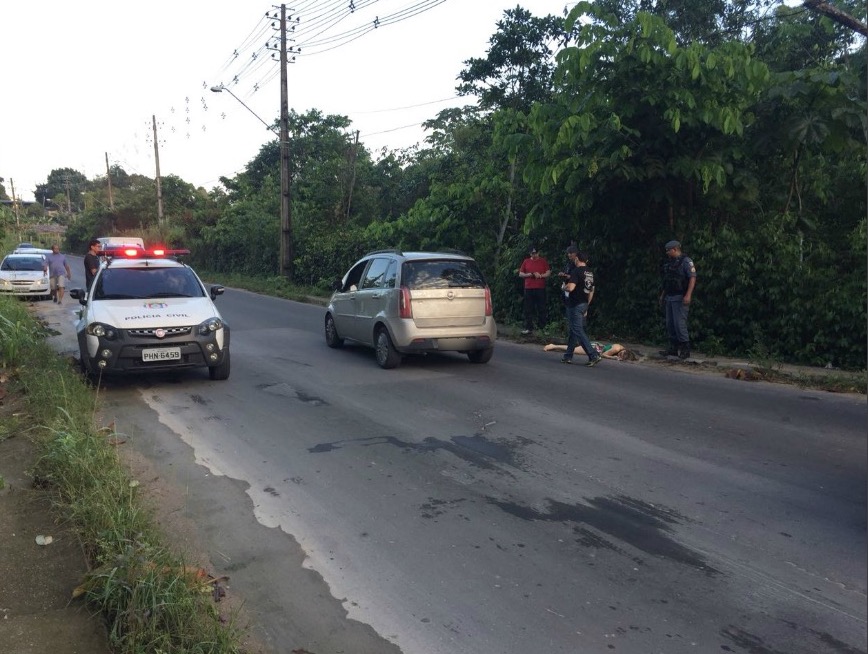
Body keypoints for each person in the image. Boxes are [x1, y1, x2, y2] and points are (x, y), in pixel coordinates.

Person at [561, 246, 601, 367]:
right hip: (584, 303)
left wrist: (564, 287)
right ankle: (568, 355)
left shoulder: (576, 271)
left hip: (575, 304)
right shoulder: (589, 272)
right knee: (574, 330)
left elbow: (571, 287)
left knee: (577, 329)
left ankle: (593, 354)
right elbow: (591, 290)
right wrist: (587, 306)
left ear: (577, 259)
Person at [659, 240, 697, 359]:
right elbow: (668, 281)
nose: (667, 253)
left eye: (668, 250)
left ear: (675, 249)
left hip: (680, 297)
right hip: (670, 296)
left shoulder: (686, 261)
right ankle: (673, 348)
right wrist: (662, 295)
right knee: (670, 324)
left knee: (679, 323)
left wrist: (688, 295)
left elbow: (692, 278)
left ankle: (685, 349)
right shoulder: (670, 263)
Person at [517, 246, 550, 335]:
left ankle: (542, 328)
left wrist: (540, 275)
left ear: (538, 253)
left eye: (535, 253)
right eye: (532, 253)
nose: (534, 255)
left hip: (540, 287)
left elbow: (548, 272)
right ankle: (528, 328)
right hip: (529, 287)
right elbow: (520, 273)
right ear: (530, 253)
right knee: (528, 308)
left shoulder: (543, 261)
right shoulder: (526, 261)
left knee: (541, 308)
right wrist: (530, 274)